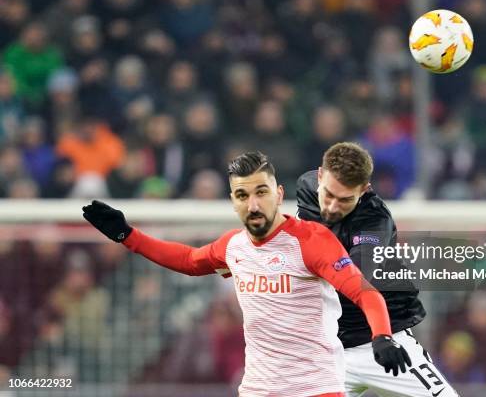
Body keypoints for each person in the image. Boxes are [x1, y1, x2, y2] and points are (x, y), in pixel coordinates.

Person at [82, 151, 410, 397]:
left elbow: (365, 293)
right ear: (233, 201)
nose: (253, 204)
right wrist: (128, 235)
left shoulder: (312, 241)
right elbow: (188, 260)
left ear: (279, 194)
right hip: (257, 389)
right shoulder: (234, 247)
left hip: (314, 388)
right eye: (242, 195)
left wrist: (381, 336)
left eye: (261, 193)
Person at [296, 142, 459, 397]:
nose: (332, 207)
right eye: (328, 195)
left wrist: (381, 336)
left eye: (345, 200)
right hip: (327, 351)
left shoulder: (375, 220)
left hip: (382, 342)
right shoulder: (305, 187)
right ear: (319, 176)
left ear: (364, 189)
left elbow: (354, 277)